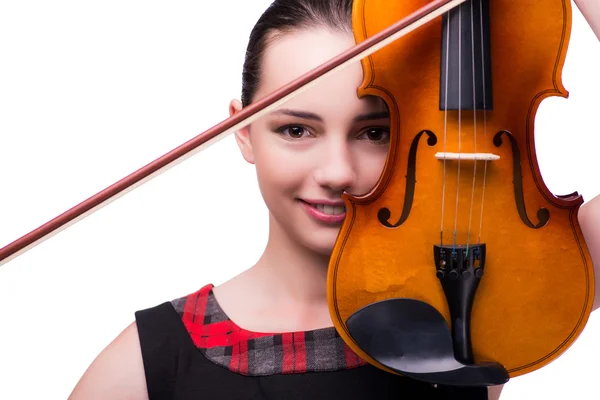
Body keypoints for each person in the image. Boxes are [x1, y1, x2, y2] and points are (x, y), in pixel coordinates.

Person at [68, 0, 600, 399]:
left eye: (374, 132)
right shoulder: (141, 366)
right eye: (297, 130)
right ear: (244, 131)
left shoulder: (481, 297)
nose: (337, 172)